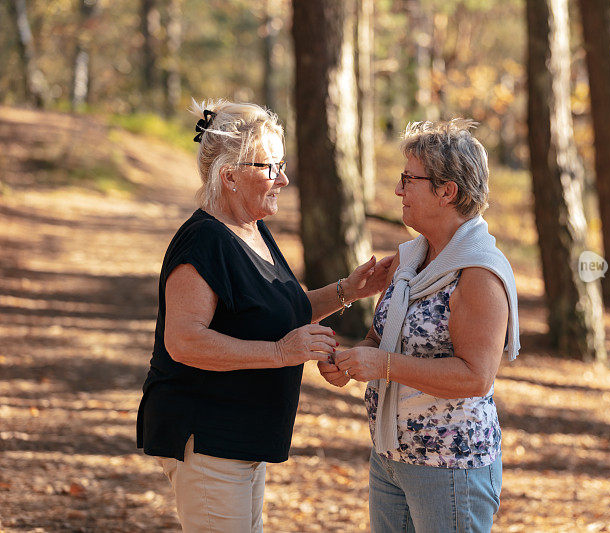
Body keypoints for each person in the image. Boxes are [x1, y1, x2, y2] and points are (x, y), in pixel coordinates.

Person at [136, 99, 391, 532]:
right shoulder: (203, 242)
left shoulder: (250, 228)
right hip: (208, 438)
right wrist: (279, 352)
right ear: (230, 176)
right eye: (270, 167)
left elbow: (275, 311)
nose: (284, 179)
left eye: (282, 165)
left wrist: (349, 290)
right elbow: (184, 341)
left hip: (242, 439)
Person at [319, 119, 520, 532]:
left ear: (447, 191)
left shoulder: (477, 274)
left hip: (449, 465)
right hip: (390, 456)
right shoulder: (411, 260)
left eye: (409, 179)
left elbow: (475, 377)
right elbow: (382, 338)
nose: (398, 190)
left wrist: (382, 365)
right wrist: (349, 361)